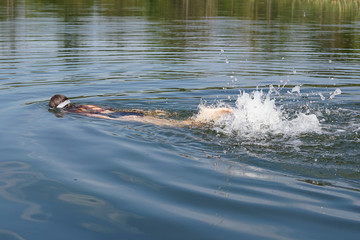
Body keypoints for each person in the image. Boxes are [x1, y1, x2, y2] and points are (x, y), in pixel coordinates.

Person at [49, 94, 233, 127]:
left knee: (174, 125)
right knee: (162, 116)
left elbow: (99, 115)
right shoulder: (85, 105)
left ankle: (201, 119)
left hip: (117, 118)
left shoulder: (75, 113)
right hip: (123, 110)